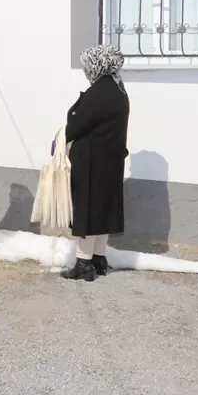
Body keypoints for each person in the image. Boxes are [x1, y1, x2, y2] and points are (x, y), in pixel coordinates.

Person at [61, 45, 130, 282]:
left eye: (87, 65)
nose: (85, 70)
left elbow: (77, 124)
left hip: (92, 163)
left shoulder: (99, 91)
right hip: (110, 161)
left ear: (97, 64)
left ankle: (83, 263)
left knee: (88, 211)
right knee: (103, 211)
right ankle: (99, 259)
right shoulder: (118, 89)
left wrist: (63, 135)